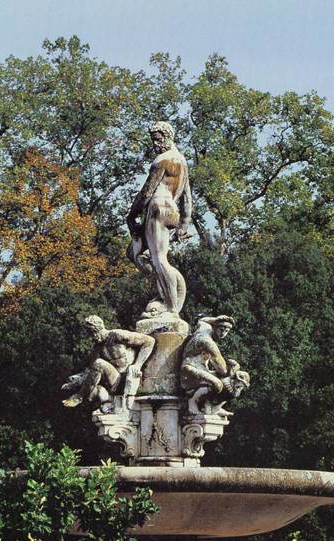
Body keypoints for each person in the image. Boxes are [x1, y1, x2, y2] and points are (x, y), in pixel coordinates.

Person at [126, 121, 192, 316]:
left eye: (158, 139)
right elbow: (187, 197)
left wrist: (131, 216)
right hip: (171, 211)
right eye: (153, 140)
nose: (155, 144)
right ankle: (165, 293)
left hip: (158, 209)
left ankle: (171, 307)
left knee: (159, 259)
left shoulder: (162, 160)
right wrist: (184, 223)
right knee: (134, 253)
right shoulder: (182, 161)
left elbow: (147, 192)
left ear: (167, 136)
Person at [61, 316, 155, 409]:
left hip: (127, 378)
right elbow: (91, 372)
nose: (89, 336)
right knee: (92, 390)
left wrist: (138, 364)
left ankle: (79, 396)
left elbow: (149, 341)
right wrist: (75, 380)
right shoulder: (98, 348)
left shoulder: (117, 335)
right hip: (114, 383)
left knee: (98, 363)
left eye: (89, 332)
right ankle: (104, 403)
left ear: (96, 329)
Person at [180, 315, 250, 413]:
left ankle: (214, 407)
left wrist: (216, 320)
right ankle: (194, 403)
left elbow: (202, 320)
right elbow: (223, 369)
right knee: (220, 384)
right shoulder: (208, 343)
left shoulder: (205, 329)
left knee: (231, 383)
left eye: (226, 331)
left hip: (199, 369)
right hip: (189, 372)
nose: (223, 334)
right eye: (221, 329)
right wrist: (234, 367)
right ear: (215, 327)